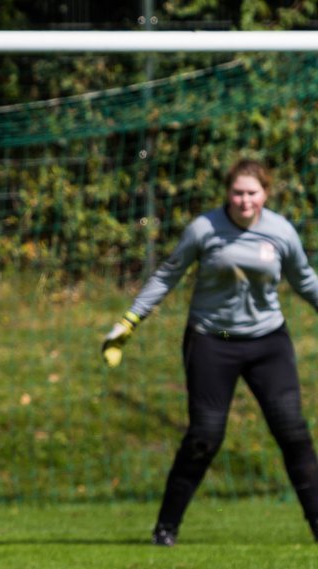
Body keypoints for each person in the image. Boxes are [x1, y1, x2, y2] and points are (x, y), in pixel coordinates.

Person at [102, 158, 318, 545]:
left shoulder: (281, 231)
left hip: (268, 342)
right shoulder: (204, 229)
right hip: (211, 340)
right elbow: (168, 274)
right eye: (238, 192)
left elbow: (304, 280)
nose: (245, 200)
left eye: (252, 192)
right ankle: (165, 529)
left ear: (265, 192)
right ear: (227, 193)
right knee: (205, 436)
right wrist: (129, 321)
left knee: (293, 432)